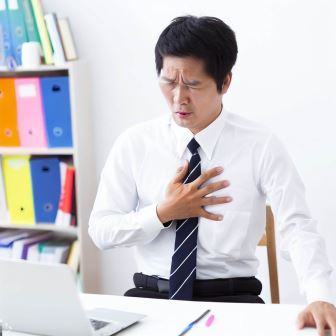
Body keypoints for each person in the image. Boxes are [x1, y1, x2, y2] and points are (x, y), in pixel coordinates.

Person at [89, 15, 336, 334]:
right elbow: (101, 230)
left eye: (192, 84)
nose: (179, 98)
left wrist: (320, 296)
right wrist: (162, 213)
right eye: (168, 82)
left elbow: (298, 226)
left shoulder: (260, 145)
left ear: (225, 82)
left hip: (234, 302)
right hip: (150, 300)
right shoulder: (135, 143)